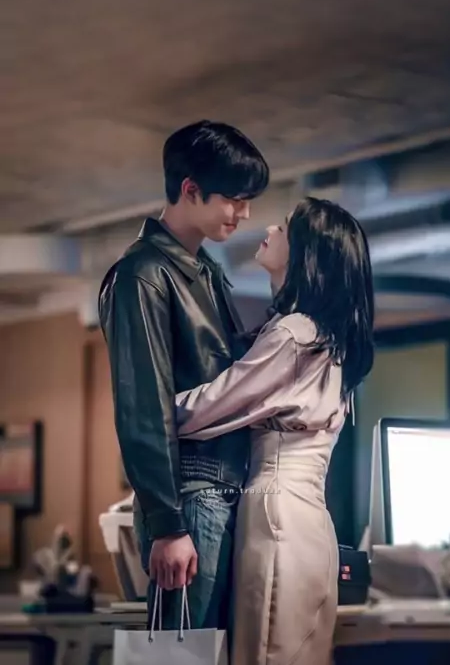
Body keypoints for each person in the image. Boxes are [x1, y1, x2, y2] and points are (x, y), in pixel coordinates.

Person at [175, 197, 375, 665]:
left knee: (264, 654)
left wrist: (147, 413)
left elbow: (211, 405)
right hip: (309, 519)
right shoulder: (329, 339)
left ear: (306, 253)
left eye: (283, 227)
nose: (268, 229)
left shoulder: (294, 334)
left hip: (276, 514)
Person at [98, 119, 269, 631]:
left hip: (218, 490)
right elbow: (142, 406)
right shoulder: (144, 274)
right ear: (190, 189)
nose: (244, 213)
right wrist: (168, 524)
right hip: (191, 497)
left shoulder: (204, 269)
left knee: (212, 651)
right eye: (233, 199)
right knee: (187, 654)